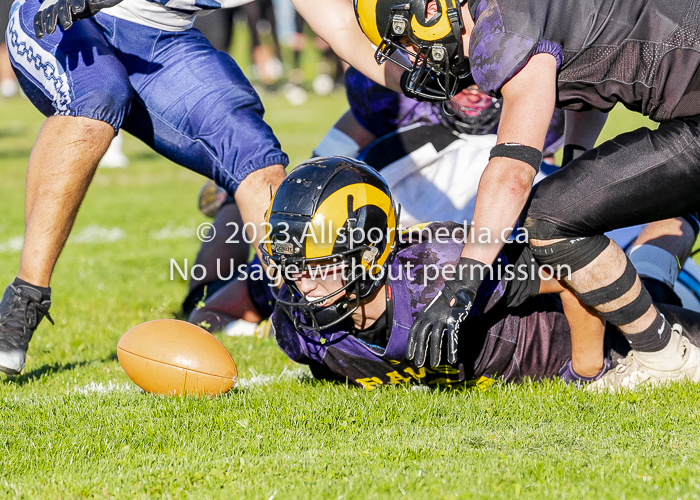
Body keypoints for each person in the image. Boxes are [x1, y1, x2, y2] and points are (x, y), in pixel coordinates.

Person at [288, 0, 700, 388]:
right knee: (570, 209)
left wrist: (463, 280)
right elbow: (591, 82)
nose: (415, 56)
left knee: (551, 219)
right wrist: (577, 165)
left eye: (410, 42)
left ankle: (664, 358)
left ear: (430, 9)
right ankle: (663, 278)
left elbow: (512, 173)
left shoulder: (498, 30)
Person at [228, 156, 700, 389]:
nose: (303, 285)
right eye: (294, 267)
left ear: (370, 254)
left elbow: (570, 267)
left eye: (320, 266)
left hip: (589, 329)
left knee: (652, 289)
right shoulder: (301, 329)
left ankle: (686, 210)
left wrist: (586, 370)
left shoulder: (437, 268)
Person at [0, 0, 288, 375]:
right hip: (63, 12)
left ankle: (301, 314)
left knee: (257, 158)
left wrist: (392, 73)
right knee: (97, 95)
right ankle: (24, 299)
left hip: (164, 38)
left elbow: (342, 27)